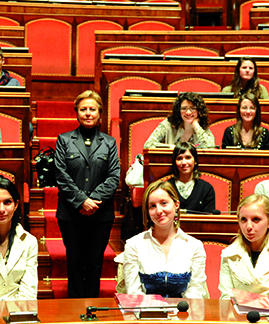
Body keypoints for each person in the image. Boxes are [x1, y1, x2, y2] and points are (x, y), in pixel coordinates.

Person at [55, 90, 120, 298]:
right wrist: (82, 201)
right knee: (74, 261)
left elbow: (113, 176)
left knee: (94, 262)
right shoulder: (64, 140)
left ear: (100, 113)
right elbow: (61, 175)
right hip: (70, 213)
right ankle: (74, 309)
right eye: (83, 109)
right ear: (77, 113)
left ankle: (92, 307)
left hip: (101, 214)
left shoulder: (109, 142)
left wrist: (94, 201)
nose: (88, 113)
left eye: (92, 109)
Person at [121, 179, 208, 299]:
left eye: (163, 203)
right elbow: (134, 292)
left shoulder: (194, 246)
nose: (158, 211)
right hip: (146, 313)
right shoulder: (134, 245)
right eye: (152, 206)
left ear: (176, 205)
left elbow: (196, 292)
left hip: (184, 313)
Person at [144, 92, 214, 150]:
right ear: (178, 111)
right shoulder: (167, 124)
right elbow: (148, 145)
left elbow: (211, 148)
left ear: (199, 111)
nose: (188, 112)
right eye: (184, 108)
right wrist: (174, 148)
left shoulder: (202, 128)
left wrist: (197, 126)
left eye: (193, 108)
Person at [169, 142, 216, 214]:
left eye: (188, 157)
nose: (184, 162)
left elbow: (209, 220)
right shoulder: (166, 188)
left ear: (195, 161)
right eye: (179, 158)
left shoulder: (206, 189)